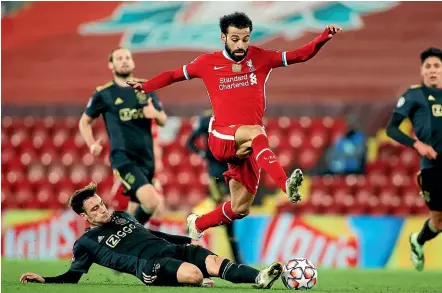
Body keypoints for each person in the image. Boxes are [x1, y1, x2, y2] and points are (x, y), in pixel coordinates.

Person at [127, 12, 342, 240]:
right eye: (235, 39)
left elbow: (299, 55)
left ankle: (197, 224)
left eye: (245, 39)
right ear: (223, 38)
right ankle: (285, 183)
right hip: (220, 136)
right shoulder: (207, 63)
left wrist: (323, 37)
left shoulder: (261, 58)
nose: (241, 44)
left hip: (248, 144)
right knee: (257, 131)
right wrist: (147, 86)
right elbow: (173, 75)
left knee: (240, 208)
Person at [19, 182, 283, 288]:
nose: (102, 209)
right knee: (194, 274)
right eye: (95, 209)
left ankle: (259, 277)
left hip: (169, 250)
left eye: (101, 203)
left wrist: (187, 241)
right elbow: (73, 277)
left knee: (214, 263)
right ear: (85, 217)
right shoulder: (86, 243)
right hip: (149, 267)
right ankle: (194, 281)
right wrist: (46, 280)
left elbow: (152, 234)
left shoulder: (122, 215)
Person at [79, 47, 167, 228]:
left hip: (147, 160)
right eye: (119, 58)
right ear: (111, 65)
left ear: (133, 62)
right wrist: (91, 144)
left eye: (127, 57)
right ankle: (123, 237)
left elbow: (163, 119)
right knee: (152, 201)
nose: (124, 61)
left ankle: (116, 242)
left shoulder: (146, 88)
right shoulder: (104, 93)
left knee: (134, 213)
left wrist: (155, 114)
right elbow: (84, 122)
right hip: (123, 159)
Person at [386, 47, 442, 271]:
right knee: (438, 222)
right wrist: (417, 144)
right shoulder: (414, 95)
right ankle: (417, 241)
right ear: (421, 70)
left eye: (436, 66)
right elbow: (391, 129)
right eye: (427, 66)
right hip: (432, 168)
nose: (432, 70)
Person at [187, 109, 243, 263]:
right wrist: (204, 154)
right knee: (228, 209)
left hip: (230, 170)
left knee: (228, 214)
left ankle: (195, 229)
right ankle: (236, 257)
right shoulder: (207, 120)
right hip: (216, 173)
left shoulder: (231, 118)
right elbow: (190, 141)